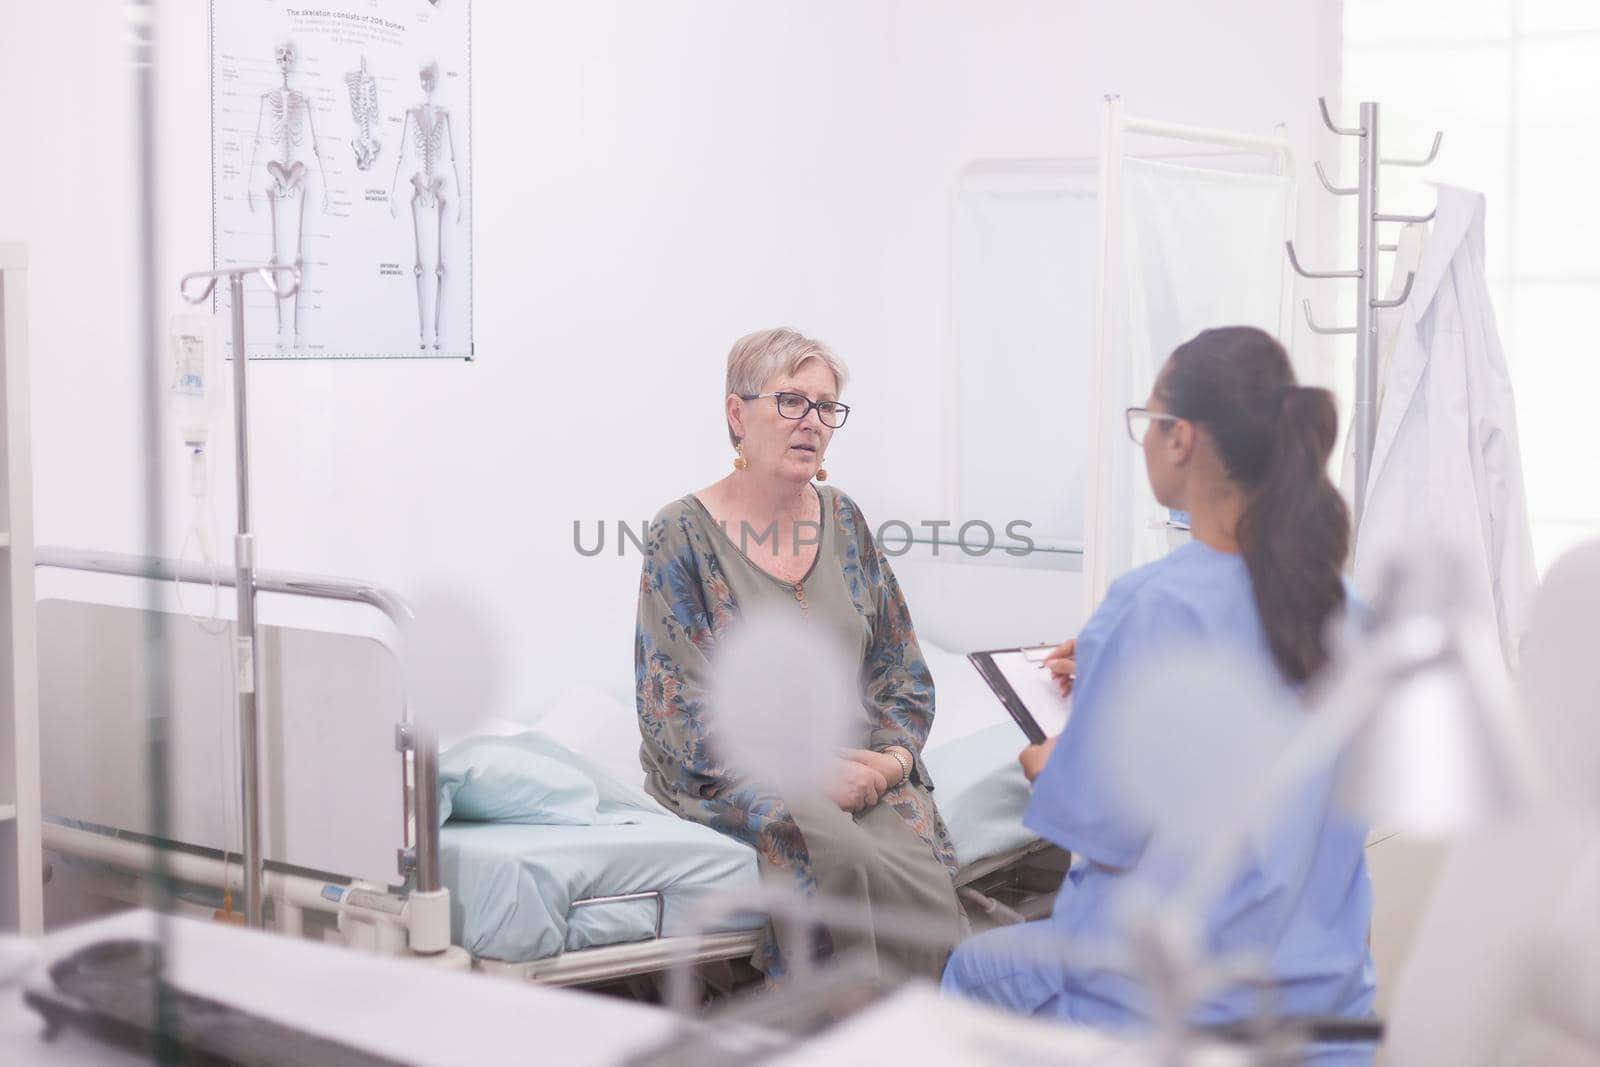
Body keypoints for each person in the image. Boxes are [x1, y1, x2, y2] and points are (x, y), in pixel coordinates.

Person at [942, 327, 1376, 1059]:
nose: (1143, 441)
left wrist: (1048, 760)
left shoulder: (1148, 606)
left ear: (1181, 440)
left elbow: (1101, 825)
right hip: (1326, 998)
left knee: (969, 968)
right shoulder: (1346, 605)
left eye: (1147, 422)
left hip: (1171, 1001)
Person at [635, 327, 964, 979]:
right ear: (737, 413)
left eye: (825, 406)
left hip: (860, 758)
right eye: (790, 401)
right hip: (738, 769)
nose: (811, 421)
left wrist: (893, 760)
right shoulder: (681, 533)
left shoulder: (844, 520)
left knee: (919, 853)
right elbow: (673, 712)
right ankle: (840, 1032)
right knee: (830, 847)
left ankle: (933, 1031)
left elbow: (903, 669)